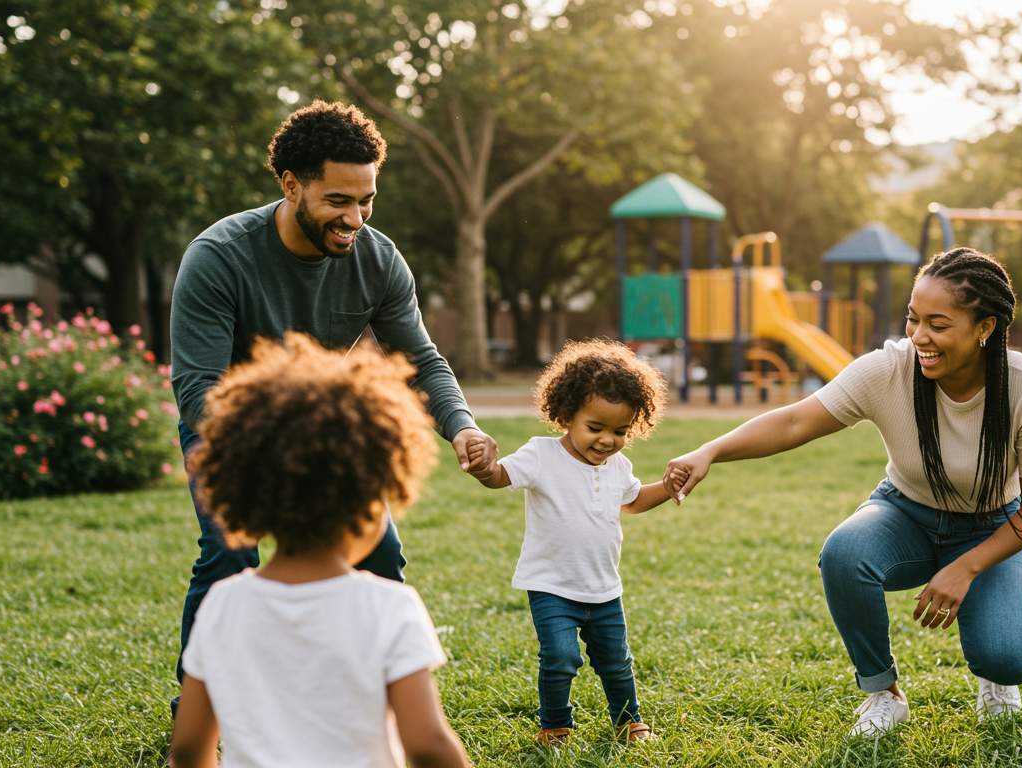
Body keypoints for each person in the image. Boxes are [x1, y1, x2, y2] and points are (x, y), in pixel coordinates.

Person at [168, 100, 498, 714]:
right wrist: (275, 461)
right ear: (291, 184)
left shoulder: (378, 259)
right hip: (229, 429)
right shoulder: (219, 256)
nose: (355, 219)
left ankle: (376, 703)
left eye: (366, 200)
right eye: (338, 201)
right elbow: (198, 390)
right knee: (230, 552)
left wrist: (462, 427)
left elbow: (422, 363)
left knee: (379, 551)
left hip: (321, 424)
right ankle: (198, 716)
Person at [663, 248, 1022, 736]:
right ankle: (884, 694)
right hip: (907, 515)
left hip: (992, 526)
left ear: (985, 327)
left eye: (938, 324)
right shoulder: (888, 370)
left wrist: (966, 567)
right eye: (913, 319)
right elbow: (794, 422)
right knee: (845, 552)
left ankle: (996, 682)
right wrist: (710, 451)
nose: (919, 336)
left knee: (1008, 657)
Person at [168, 333, 470, 768]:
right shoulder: (390, 607)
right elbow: (427, 745)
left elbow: (188, 748)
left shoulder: (222, 605)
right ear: (370, 499)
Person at [464, 340, 672, 745]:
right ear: (567, 414)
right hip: (552, 586)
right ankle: (555, 725)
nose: (607, 441)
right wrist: (483, 468)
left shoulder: (618, 465)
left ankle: (628, 720)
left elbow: (634, 501)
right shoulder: (541, 455)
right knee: (560, 658)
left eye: (620, 431)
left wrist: (669, 485)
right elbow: (500, 477)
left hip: (604, 588)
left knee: (616, 661)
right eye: (595, 428)